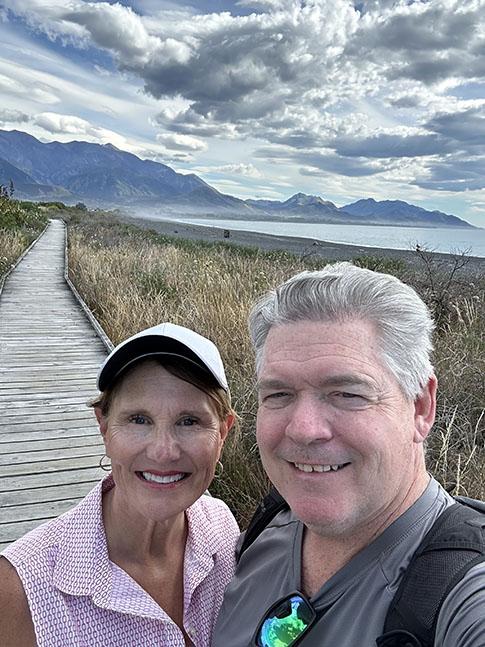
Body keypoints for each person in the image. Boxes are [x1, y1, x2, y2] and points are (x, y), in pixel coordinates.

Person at [213, 262, 485, 647]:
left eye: (348, 394)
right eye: (278, 394)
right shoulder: (265, 533)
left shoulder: (462, 595)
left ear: (421, 407)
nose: (304, 429)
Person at [0, 322, 238, 647]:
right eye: (139, 419)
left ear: (222, 433)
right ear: (104, 427)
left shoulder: (222, 529)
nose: (163, 451)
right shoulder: (22, 587)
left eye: (189, 421)